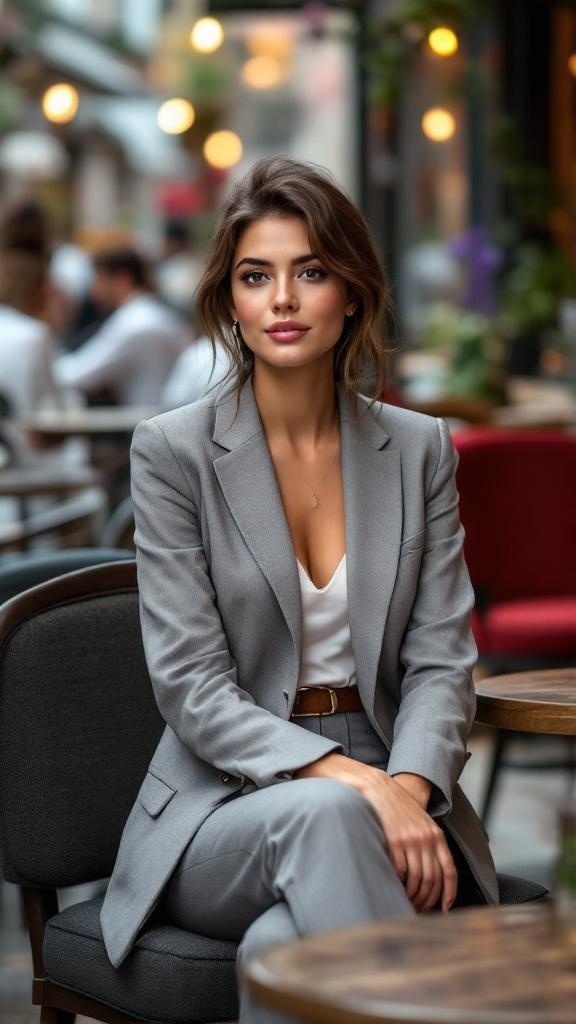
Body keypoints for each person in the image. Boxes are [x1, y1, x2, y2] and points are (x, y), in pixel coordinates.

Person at [100, 156, 498, 1023]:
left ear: (350, 293)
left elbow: (440, 663)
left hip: (395, 768)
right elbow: (191, 688)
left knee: (281, 952)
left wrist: (412, 788)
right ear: (231, 302)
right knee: (324, 818)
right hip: (225, 804)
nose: (282, 299)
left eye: (310, 272)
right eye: (256, 276)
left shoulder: (420, 448)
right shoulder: (173, 452)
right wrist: (360, 790)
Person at [54, 246, 192, 405]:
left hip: (146, 421)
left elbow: (76, 375)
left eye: (99, 279)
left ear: (123, 280)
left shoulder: (133, 322)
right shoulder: (153, 313)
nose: (93, 290)